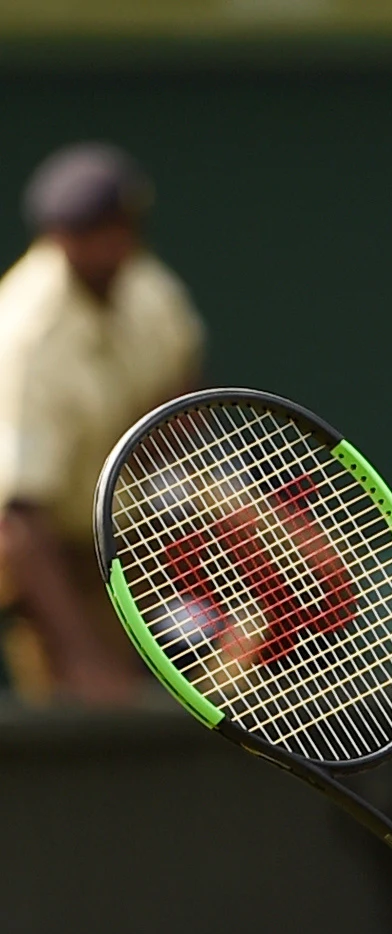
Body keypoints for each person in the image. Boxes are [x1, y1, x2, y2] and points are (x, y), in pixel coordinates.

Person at [0, 142, 204, 706]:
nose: (113, 244)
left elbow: (180, 388)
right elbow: (21, 526)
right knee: (92, 729)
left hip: (136, 540)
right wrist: (85, 662)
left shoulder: (149, 289)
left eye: (123, 226)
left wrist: (192, 521)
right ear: (58, 236)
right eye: (94, 230)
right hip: (52, 558)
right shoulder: (24, 337)